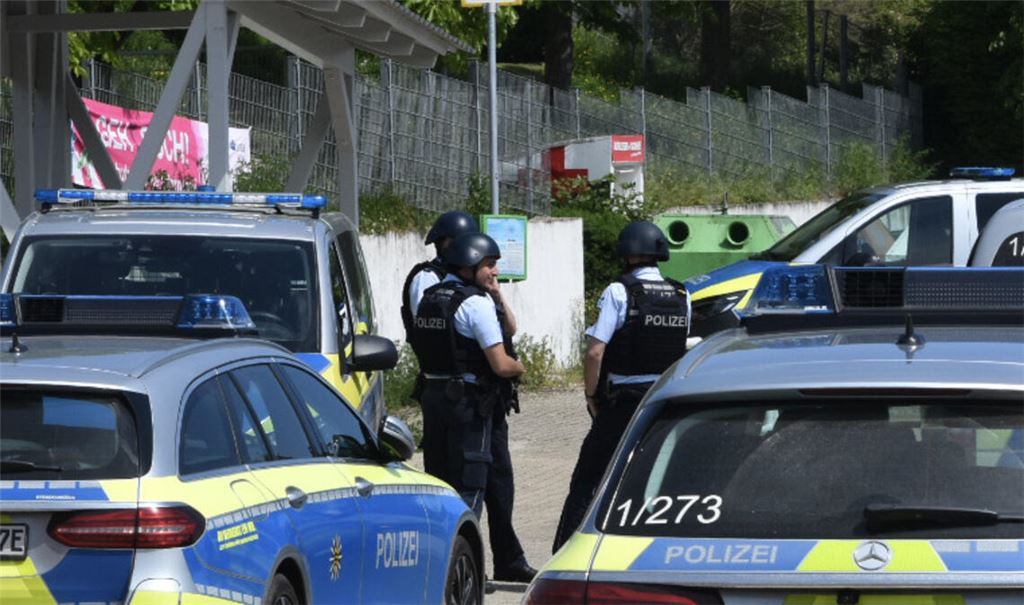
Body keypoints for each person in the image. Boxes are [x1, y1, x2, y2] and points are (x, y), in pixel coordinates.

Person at [552, 220, 691, 552]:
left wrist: (590, 394)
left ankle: (563, 556)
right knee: (648, 479)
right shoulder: (682, 293)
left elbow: (596, 350)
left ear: (627, 254)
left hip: (623, 401)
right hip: (663, 400)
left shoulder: (620, 291)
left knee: (588, 480)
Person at [410, 232, 537, 583]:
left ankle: (509, 559)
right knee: (471, 486)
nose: (496, 272)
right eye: (490, 265)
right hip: (471, 405)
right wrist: (521, 366)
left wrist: (497, 295)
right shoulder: (473, 303)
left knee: (486, 480)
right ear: (469, 266)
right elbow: (500, 363)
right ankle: (460, 569)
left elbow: (509, 326)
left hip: (438, 399)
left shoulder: (432, 296)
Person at [400, 210, 480, 340]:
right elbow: (427, 326)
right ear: (441, 242)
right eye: (459, 241)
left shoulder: (465, 275)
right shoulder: (428, 277)